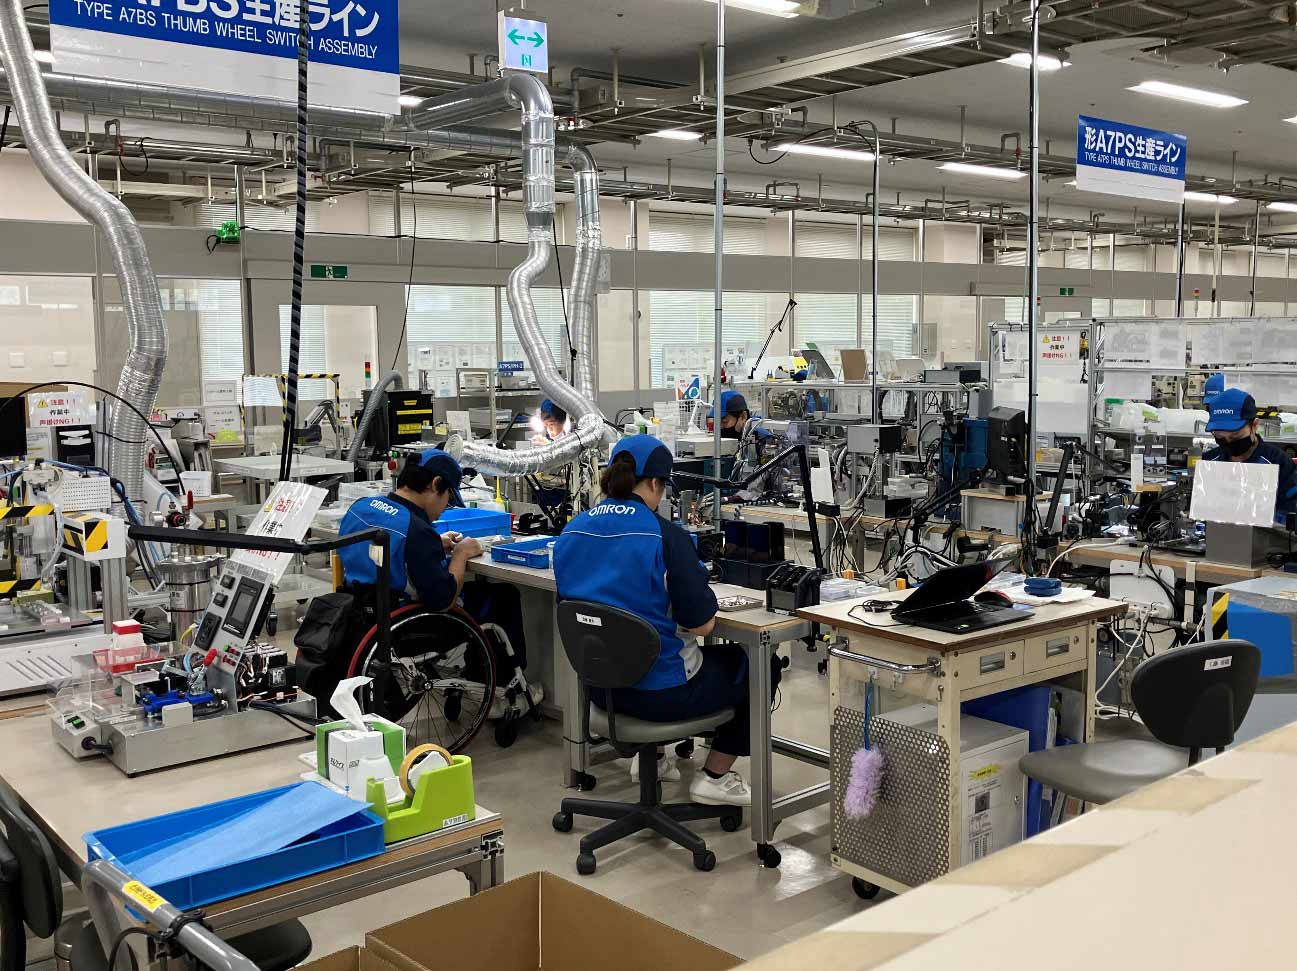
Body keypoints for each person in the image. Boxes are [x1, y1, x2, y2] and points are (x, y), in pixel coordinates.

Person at [554, 435, 774, 808]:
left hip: (602, 691)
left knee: (647, 647)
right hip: (661, 696)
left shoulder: (571, 531)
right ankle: (715, 778)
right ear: (656, 483)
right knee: (757, 665)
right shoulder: (664, 536)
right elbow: (703, 625)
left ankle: (651, 758)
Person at [338, 448, 528, 664]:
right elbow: (443, 601)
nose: (445, 509)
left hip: (361, 618)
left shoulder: (361, 507)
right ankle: (507, 686)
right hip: (407, 628)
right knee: (504, 596)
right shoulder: (417, 530)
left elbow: (386, 549)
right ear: (436, 484)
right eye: (447, 499)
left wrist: (433, 543)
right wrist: (460, 554)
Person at [1203, 387, 1297, 523]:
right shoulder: (1210, 461)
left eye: (1235, 436)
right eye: (1219, 436)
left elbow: (1290, 515)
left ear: (1254, 425)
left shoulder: (1278, 462)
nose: (1228, 441)